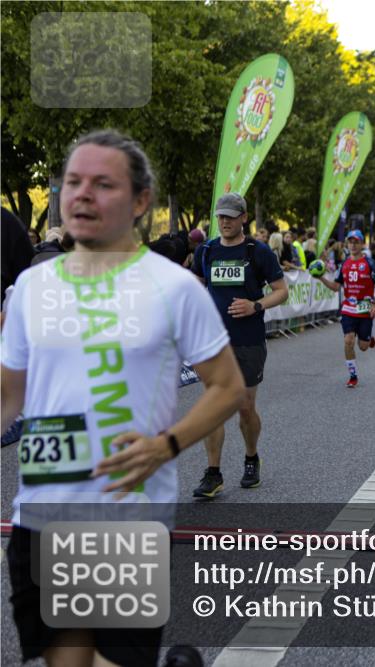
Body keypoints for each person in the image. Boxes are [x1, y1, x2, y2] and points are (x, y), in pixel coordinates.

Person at [1, 129, 244, 667]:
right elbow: (7, 397)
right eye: (73, 182)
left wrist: (167, 444)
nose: (82, 194)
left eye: (103, 184)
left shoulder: (174, 287)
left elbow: (227, 386)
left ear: (140, 202)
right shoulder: (32, 288)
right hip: (43, 518)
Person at [190, 193, 288, 498]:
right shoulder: (206, 250)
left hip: (248, 340)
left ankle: (251, 457)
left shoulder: (257, 251)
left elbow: (281, 291)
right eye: (221, 217)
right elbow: (193, 288)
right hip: (214, 342)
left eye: (231, 217)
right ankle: (213, 473)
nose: (225, 222)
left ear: (244, 218)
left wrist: (255, 306)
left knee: (245, 407)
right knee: (215, 406)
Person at [313, 229, 375, 388]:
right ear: (347, 244)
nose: (353, 245)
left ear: (361, 244)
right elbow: (336, 287)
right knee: (348, 340)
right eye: (350, 242)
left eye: (356, 242)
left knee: (363, 347)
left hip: (365, 308)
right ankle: (353, 375)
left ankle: (368, 338)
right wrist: (321, 278)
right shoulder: (344, 264)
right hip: (348, 308)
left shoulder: (369, 263)